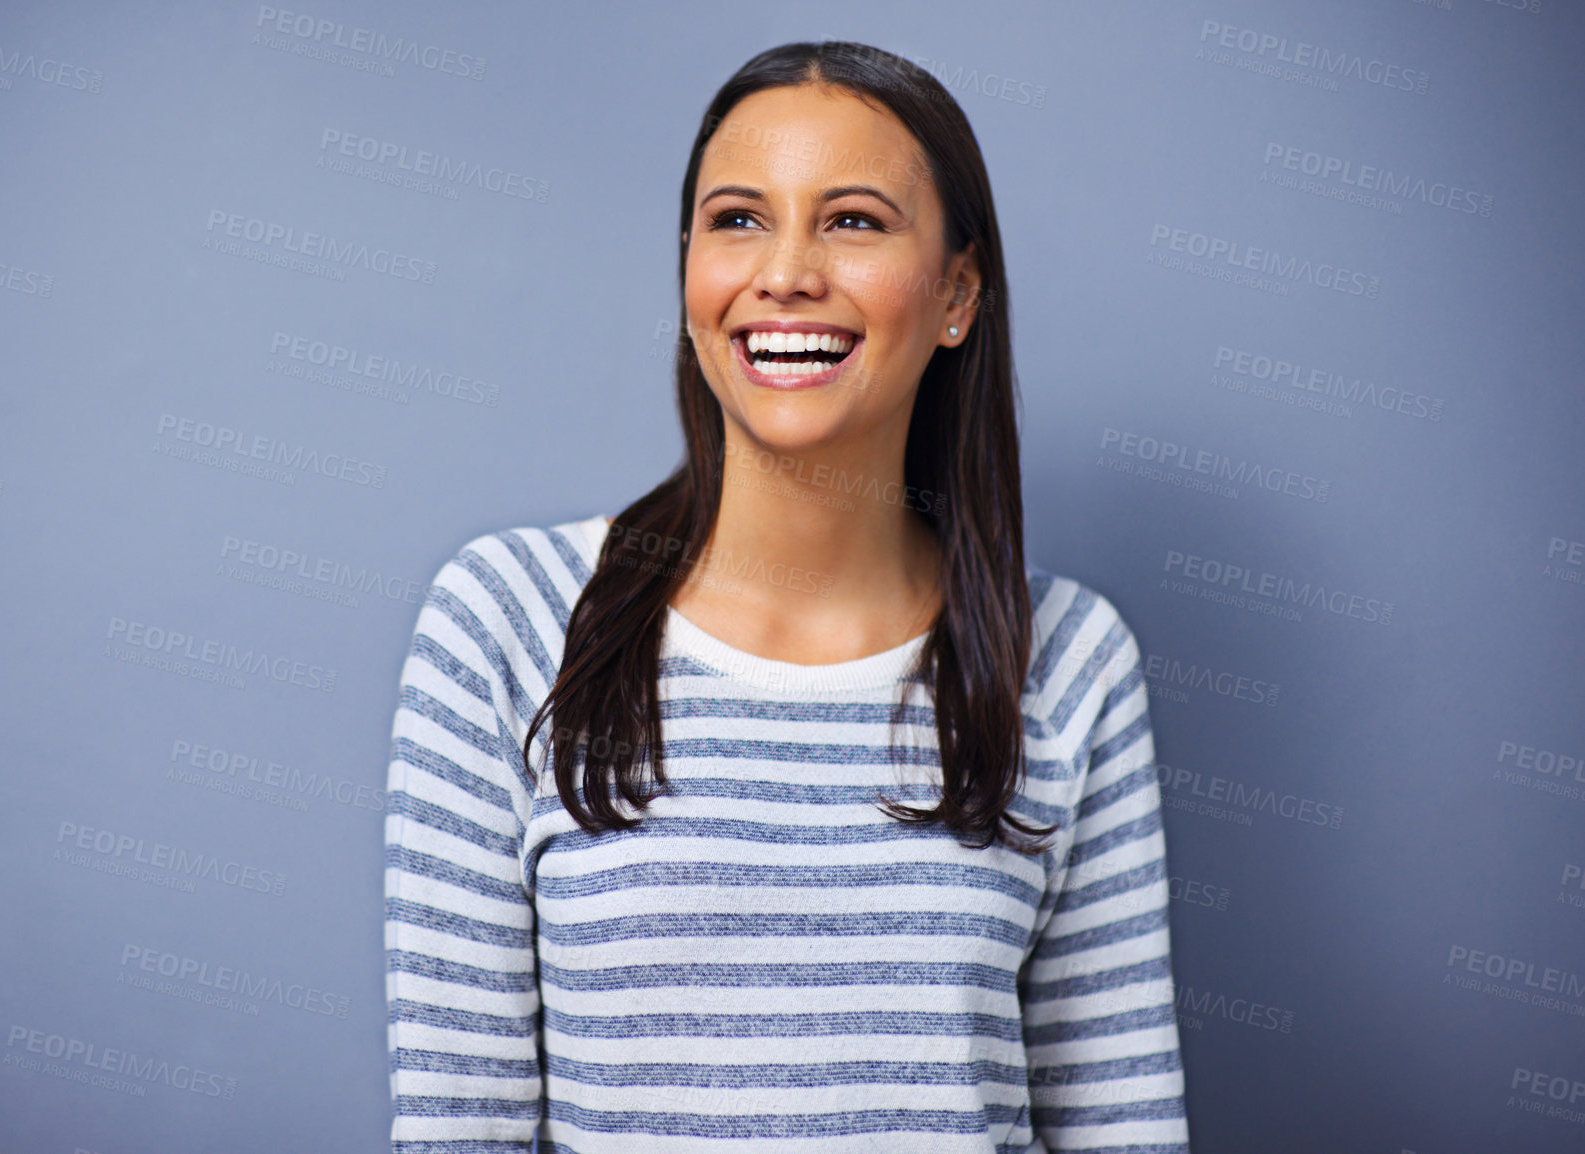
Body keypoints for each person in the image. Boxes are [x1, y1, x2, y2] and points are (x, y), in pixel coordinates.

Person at [384, 40, 1189, 1154]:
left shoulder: (1071, 657)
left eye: (852, 220)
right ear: (687, 272)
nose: (786, 272)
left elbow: (1121, 1128)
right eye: (738, 219)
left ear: (955, 291)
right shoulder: (505, 619)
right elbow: (454, 1133)